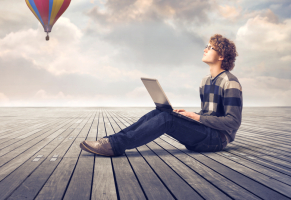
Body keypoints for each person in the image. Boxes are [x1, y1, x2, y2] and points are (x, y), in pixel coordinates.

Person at [80, 34, 243, 156]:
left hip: (216, 140)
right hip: (205, 133)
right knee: (163, 112)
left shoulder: (230, 82)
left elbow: (233, 122)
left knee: (167, 119)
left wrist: (196, 117)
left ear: (221, 56)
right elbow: (211, 114)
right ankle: (110, 141)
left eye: (210, 48)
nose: (205, 49)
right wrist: (189, 116)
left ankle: (114, 146)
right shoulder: (206, 81)